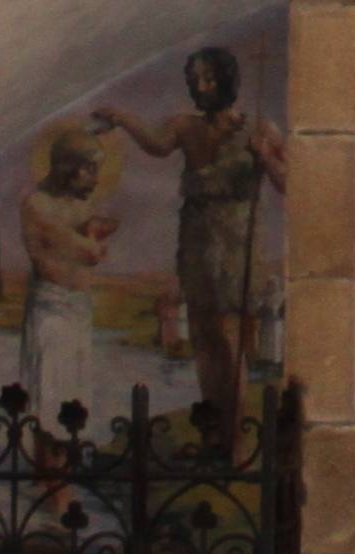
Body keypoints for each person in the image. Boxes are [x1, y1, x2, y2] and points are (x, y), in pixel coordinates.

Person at [102, 45, 287, 443]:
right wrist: (122, 119)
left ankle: (235, 439)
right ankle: (213, 433)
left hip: (237, 247)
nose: (201, 87)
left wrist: (265, 156)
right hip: (197, 242)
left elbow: (290, 183)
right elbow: (155, 144)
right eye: (195, 80)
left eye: (208, 78)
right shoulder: (185, 126)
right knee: (203, 338)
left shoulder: (259, 129)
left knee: (230, 339)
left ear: (226, 80)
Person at [14, 124, 122, 427]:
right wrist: (91, 236)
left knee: (75, 402)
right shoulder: (36, 203)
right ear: (67, 167)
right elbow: (89, 251)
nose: (96, 178)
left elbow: (100, 237)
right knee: (49, 400)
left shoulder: (81, 203)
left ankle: (65, 469)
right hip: (52, 312)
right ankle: (47, 472)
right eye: (89, 170)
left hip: (79, 310)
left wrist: (93, 234)